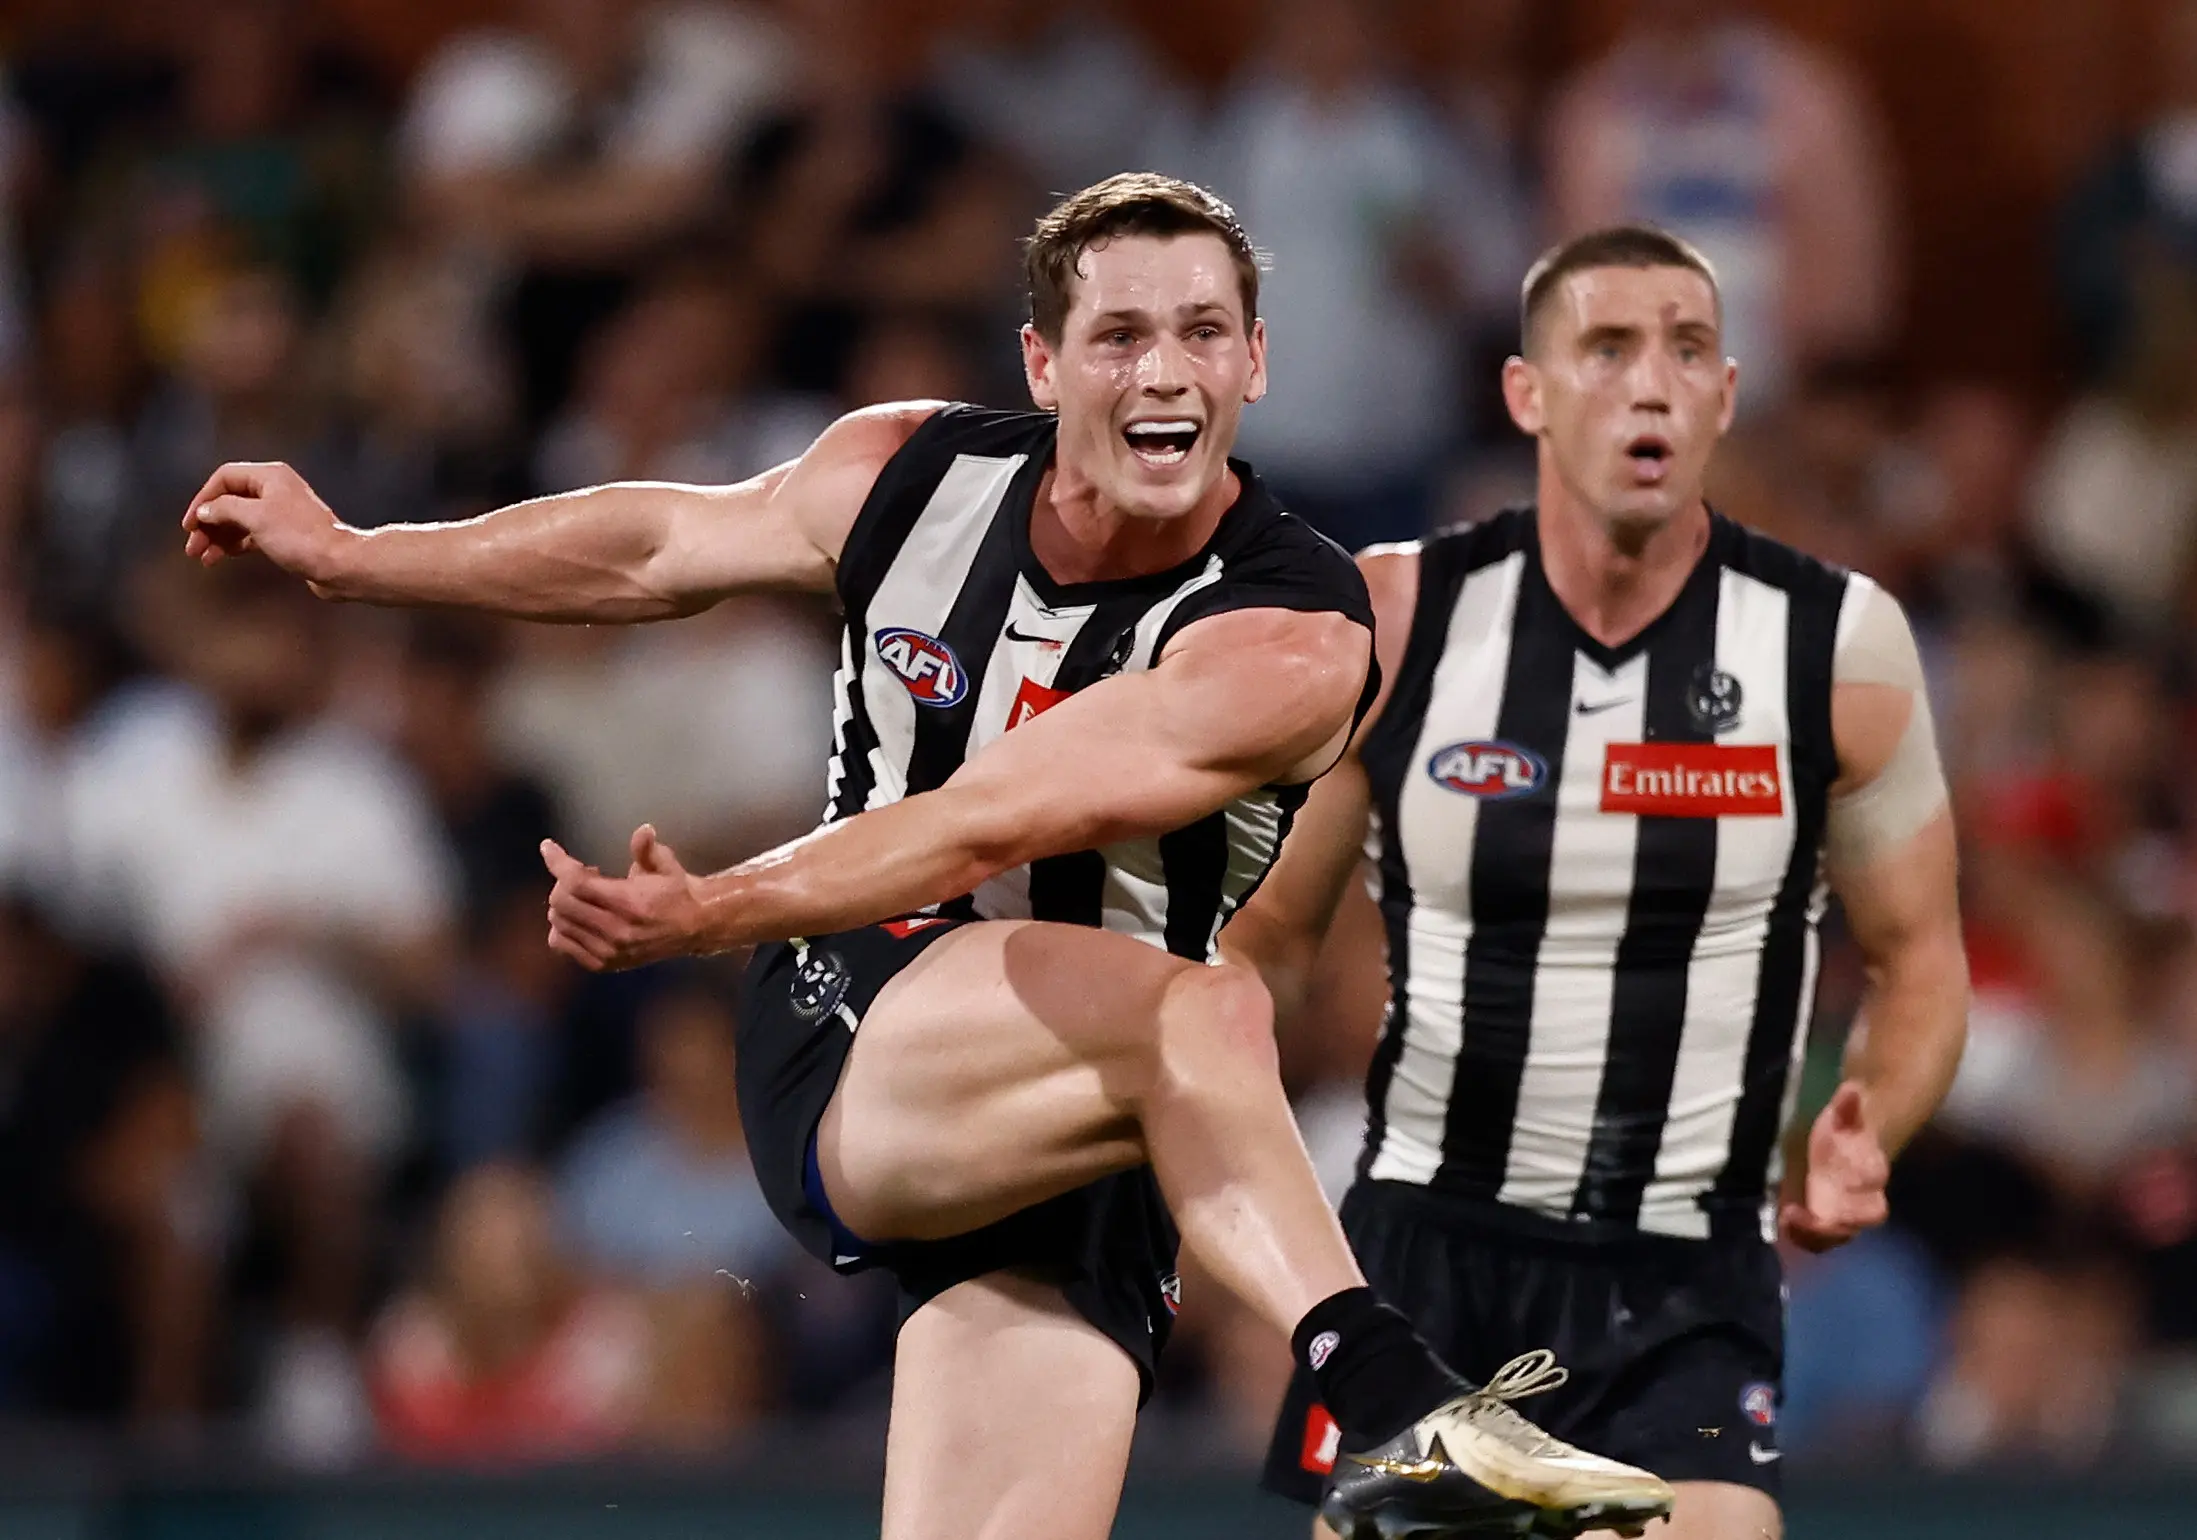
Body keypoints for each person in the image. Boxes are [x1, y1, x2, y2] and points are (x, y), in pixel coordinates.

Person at [179, 176, 1674, 1540]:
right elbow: (657, 547)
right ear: (1042, 366)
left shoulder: (1286, 630)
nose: (1163, 370)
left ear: (1256, 365)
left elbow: (998, 815)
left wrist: (710, 904)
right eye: (1121, 334)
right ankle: (1400, 1405)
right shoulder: (911, 472)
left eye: (1204, 332)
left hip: (1085, 1138)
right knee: (1204, 1007)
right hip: (862, 1011)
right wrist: (359, 556)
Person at [1229, 227, 1970, 1540]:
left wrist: (1872, 1122)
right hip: (1422, 1261)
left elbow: (1920, 962)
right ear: (1528, 393)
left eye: (1688, 350)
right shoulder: (1399, 623)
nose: (1652, 384)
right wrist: (1203, 1157)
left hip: (1687, 1269)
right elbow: (1267, 946)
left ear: (1726, 398)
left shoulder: (1836, 647)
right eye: (1610, 347)